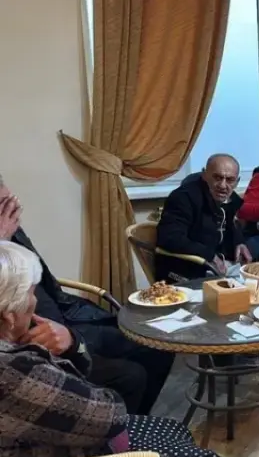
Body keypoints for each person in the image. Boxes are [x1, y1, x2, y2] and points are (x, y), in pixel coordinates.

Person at [0, 241, 232, 457]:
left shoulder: (16, 356)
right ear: (10, 316)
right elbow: (112, 415)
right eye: (31, 294)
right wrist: (50, 353)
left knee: (175, 428)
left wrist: (70, 345)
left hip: (53, 443)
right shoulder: (16, 372)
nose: (35, 301)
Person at [0, 175, 173, 415]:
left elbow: (44, 281)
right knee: (132, 376)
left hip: (68, 318)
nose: (13, 211)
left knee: (157, 344)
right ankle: (116, 431)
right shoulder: (4, 233)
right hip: (37, 340)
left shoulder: (12, 229)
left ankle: (138, 422)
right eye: (4, 206)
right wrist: (2, 240)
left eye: (11, 201)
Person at [156, 154, 252, 282]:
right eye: (217, 177)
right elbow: (170, 238)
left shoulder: (230, 199)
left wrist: (239, 242)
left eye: (230, 180)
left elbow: (230, 224)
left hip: (220, 265)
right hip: (186, 269)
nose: (223, 185)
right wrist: (210, 256)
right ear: (204, 175)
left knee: (258, 280)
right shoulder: (183, 198)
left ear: (237, 182)